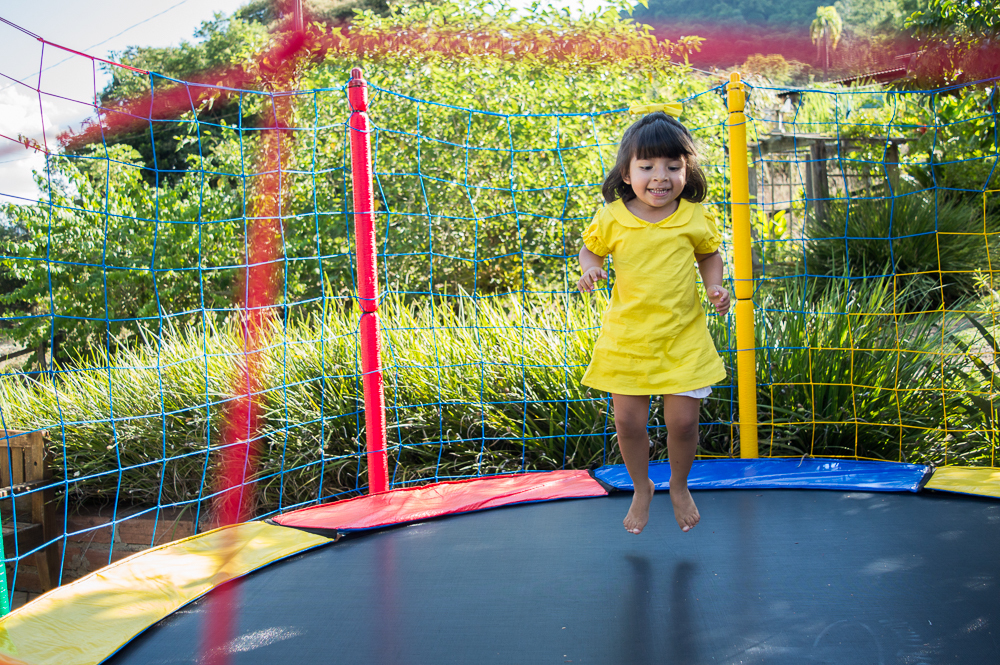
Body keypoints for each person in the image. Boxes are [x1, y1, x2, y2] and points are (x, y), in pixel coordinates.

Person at [577, 109, 730, 535]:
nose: (659, 176)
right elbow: (591, 250)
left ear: (687, 170)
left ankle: (679, 485)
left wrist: (716, 288)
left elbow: (708, 255)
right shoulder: (612, 217)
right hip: (629, 340)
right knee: (628, 422)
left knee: (682, 422)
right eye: (647, 166)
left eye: (672, 166)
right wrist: (589, 269)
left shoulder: (694, 216)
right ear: (626, 173)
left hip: (683, 338)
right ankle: (641, 487)